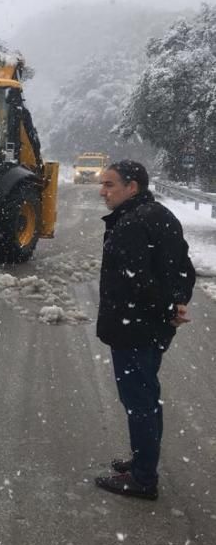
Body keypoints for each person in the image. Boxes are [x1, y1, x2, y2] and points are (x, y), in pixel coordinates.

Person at [94, 160, 195, 500]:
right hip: (152, 329)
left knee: (140, 401)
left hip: (133, 330)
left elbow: (139, 282)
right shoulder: (161, 215)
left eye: (110, 185)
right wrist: (178, 304)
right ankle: (142, 462)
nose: (102, 191)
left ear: (132, 187)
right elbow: (185, 269)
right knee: (148, 397)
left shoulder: (131, 224)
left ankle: (143, 478)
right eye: (103, 184)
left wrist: (169, 308)